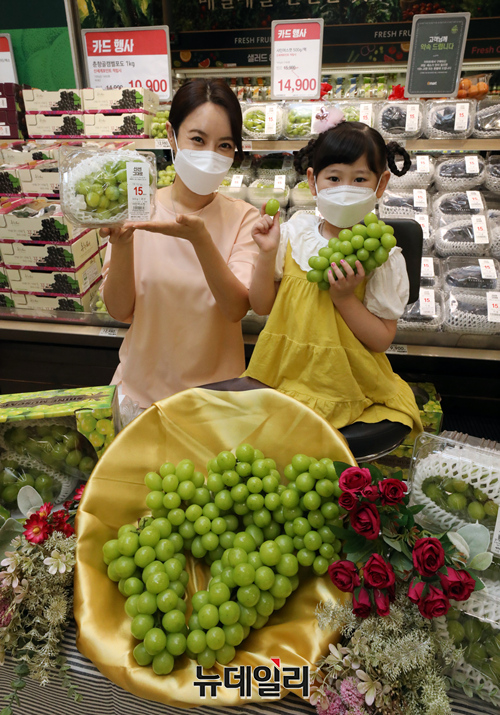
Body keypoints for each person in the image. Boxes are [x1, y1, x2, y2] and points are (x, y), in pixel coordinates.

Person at [244, 108, 422, 436]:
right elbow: (261, 306)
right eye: (334, 178)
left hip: (345, 382)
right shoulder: (294, 232)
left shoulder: (381, 256)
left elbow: (381, 339)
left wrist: (344, 298)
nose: (345, 188)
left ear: (380, 184)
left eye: (359, 179)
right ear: (313, 181)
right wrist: (267, 254)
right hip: (282, 371)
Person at [100, 79, 260, 408]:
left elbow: (235, 309)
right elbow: (120, 311)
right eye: (198, 140)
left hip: (215, 401)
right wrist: (122, 244)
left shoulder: (245, 218)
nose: (210, 155)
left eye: (224, 145)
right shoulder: (136, 211)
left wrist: (200, 240)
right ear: (172, 136)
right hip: (139, 397)